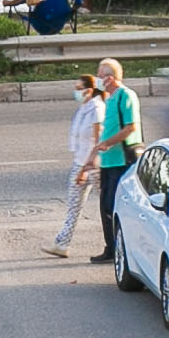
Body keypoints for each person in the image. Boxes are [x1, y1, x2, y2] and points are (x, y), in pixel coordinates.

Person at [90, 56, 141, 268]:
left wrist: (107, 143)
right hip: (108, 162)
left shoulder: (125, 96)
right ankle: (111, 248)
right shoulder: (109, 99)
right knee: (106, 207)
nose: (98, 79)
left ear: (110, 78)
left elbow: (131, 127)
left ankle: (121, 249)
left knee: (115, 207)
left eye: (100, 75)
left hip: (121, 161)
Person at [53, 73, 103, 251]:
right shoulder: (83, 109)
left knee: (107, 207)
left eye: (79, 89)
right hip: (80, 163)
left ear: (89, 90)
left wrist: (85, 168)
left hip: (94, 166)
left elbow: (98, 140)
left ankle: (116, 243)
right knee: (74, 206)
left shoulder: (97, 109)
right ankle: (62, 244)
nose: (76, 92)